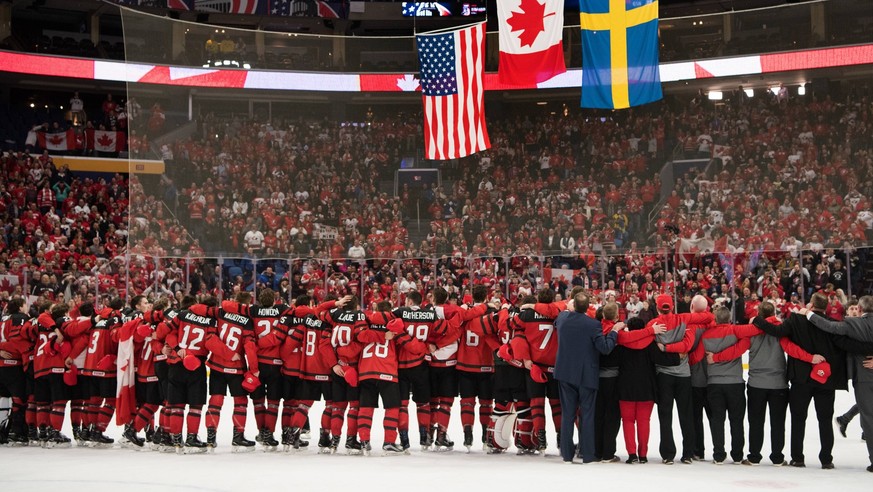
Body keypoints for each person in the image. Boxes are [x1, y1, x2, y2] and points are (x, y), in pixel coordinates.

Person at [803, 295, 873, 473]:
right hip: (864, 377)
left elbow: (829, 326)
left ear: (860, 309)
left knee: (869, 419)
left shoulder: (854, 323)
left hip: (864, 377)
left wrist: (809, 314)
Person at [554, 292, 619, 463]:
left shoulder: (562, 319)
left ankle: (567, 455)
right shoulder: (593, 325)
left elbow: (559, 316)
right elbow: (605, 348)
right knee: (587, 415)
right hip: (586, 375)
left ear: (573, 305)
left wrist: (568, 309)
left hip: (566, 373)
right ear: (588, 306)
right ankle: (588, 454)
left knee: (567, 415)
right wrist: (614, 332)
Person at [616, 316, 681, 464]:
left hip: (625, 388)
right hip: (647, 388)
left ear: (629, 329)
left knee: (627, 421)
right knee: (644, 421)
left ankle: (632, 454)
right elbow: (662, 359)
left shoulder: (622, 344)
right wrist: (679, 357)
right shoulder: (650, 344)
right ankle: (643, 454)